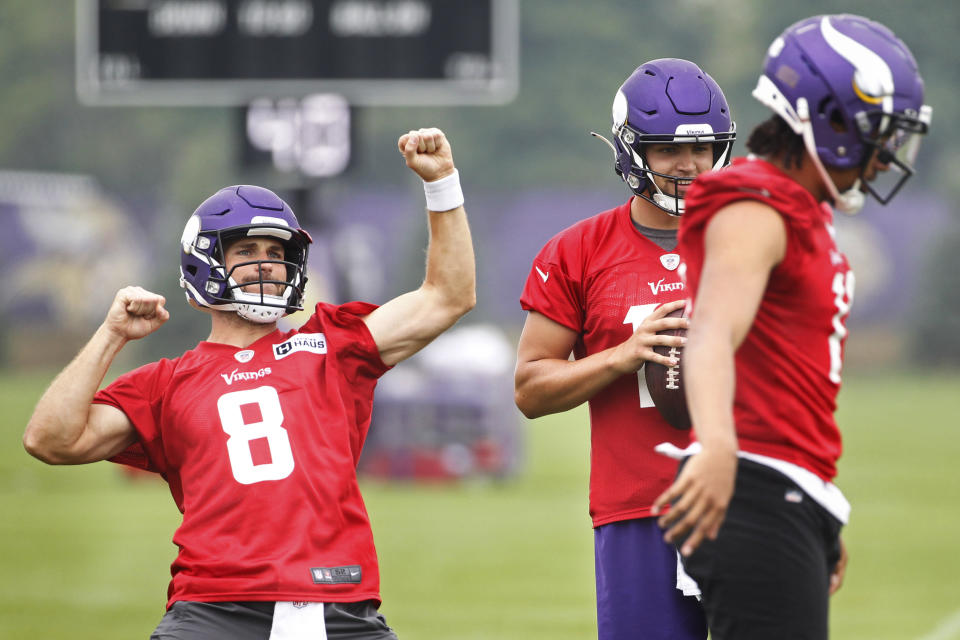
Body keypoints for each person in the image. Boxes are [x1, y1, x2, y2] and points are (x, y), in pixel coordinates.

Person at [23, 127, 475, 639]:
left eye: (277, 252)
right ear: (205, 264)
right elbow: (50, 438)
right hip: (214, 609)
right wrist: (110, 336)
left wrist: (442, 184)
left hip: (340, 606)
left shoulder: (331, 344)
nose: (268, 264)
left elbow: (448, 296)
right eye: (247, 250)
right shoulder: (166, 383)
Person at [651, 14, 931, 639]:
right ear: (829, 123)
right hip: (753, 483)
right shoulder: (759, 204)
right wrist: (721, 446)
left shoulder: (801, 208)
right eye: (876, 137)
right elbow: (714, 332)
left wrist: (816, 502)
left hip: (781, 488)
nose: (885, 161)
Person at [514, 58, 736, 640]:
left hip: (748, 498)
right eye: (666, 149)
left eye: (703, 147)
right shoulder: (577, 250)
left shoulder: (751, 240)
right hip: (641, 509)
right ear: (631, 150)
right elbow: (530, 388)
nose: (688, 165)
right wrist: (620, 355)